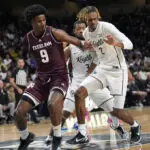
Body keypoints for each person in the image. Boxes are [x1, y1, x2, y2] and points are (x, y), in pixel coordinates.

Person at [14, 4, 92, 150]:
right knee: (18, 112)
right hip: (41, 79)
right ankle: (25, 138)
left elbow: (73, 40)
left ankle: (56, 136)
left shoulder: (54, 32)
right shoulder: (28, 39)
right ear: (32, 22)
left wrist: (84, 44)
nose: (43, 23)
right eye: (39, 21)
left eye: (44, 20)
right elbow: (26, 55)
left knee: (52, 103)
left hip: (59, 77)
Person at [66, 6, 141, 148]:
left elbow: (130, 44)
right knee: (79, 93)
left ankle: (135, 126)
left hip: (118, 71)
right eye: (90, 20)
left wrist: (115, 43)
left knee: (117, 111)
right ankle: (82, 134)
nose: (93, 22)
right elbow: (97, 51)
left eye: (95, 19)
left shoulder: (107, 27)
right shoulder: (87, 33)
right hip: (102, 69)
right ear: (85, 20)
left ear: (98, 17)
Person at [45, 20, 128, 145]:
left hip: (95, 81)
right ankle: (52, 136)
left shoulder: (96, 44)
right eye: (78, 29)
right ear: (74, 31)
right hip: (77, 83)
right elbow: (59, 64)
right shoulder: (71, 48)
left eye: (82, 28)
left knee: (114, 109)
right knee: (65, 112)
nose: (80, 30)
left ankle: (118, 127)